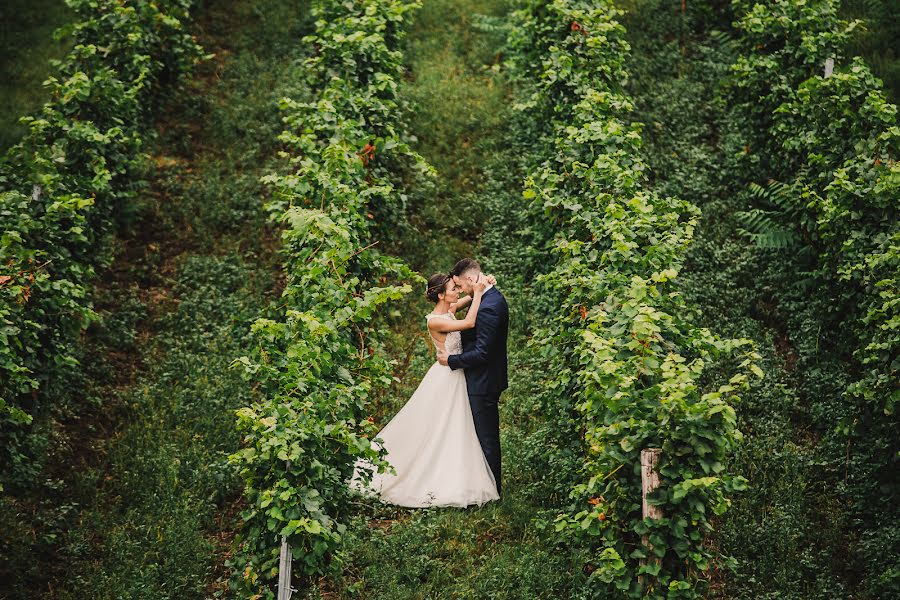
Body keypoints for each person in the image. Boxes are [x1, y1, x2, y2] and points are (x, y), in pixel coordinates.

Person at [348, 270, 500, 507]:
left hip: (456, 371)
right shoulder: (436, 320)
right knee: (439, 425)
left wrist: (482, 284)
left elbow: (468, 300)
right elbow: (470, 322)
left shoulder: (448, 311)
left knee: (453, 425)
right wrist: (479, 293)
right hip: (447, 374)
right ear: (441, 295)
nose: (457, 291)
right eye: (453, 289)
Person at [438, 258, 509, 498]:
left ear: (470, 279)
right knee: (477, 435)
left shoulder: (489, 306)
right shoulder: (487, 297)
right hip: (480, 378)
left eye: (460, 286)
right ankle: (479, 485)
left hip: (484, 380)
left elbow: (482, 353)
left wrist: (451, 361)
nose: (459, 291)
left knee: (486, 438)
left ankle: (492, 492)